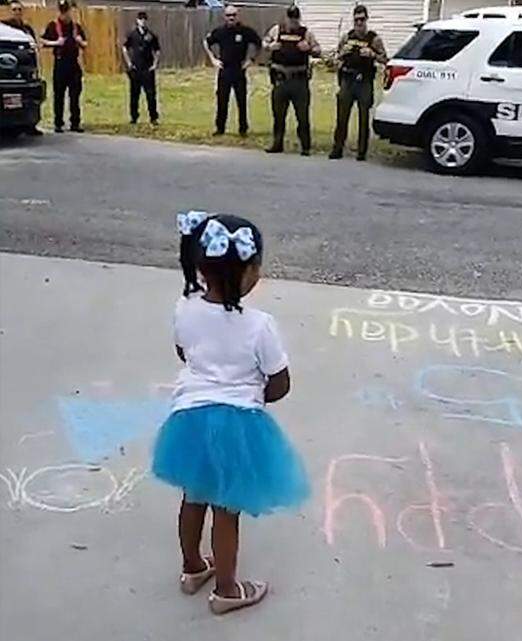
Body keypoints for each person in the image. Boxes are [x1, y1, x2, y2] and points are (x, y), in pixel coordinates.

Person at [152, 211, 310, 615]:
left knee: (193, 495)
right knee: (227, 508)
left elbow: (184, 353)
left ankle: (191, 568)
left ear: (199, 265)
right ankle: (226, 590)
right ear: (249, 273)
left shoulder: (184, 307)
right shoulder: (260, 325)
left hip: (190, 419)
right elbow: (280, 383)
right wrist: (254, 393)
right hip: (237, 423)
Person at [330, 4, 387, 161]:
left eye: (362, 20)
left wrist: (372, 54)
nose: (359, 23)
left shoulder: (374, 39)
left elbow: (385, 59)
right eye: (356, 20)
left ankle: (362, 152)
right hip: (348, 80)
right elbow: (336, 57)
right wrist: (343, 53)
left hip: (364, 81)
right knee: (342, 117)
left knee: (363, 118)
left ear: (366, 19)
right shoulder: (347, 37)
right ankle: (337, 148)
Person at [263, 5, 320, 155]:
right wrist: (270, 46)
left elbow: (318, 51)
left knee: (302, 116)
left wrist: (308, 48)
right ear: (286, 17)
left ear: (298, 18)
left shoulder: (306, 33)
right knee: (278, 115)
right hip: (280, 79)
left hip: (299, 80)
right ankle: (277, 143)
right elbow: (264, 42)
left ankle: (305, 146)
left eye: (295, 18)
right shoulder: (277, 30)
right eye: (290, 18)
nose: (293, 21)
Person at [204, 5, 261, 137]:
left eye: (234, 15)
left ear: (237, 16)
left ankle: (243, 129)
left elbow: (259, 43)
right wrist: (213, 59)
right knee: (222, 100)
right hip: (225, 69)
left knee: (241, 101)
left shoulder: (245, 31)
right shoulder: (220, 31)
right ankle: (220, 128)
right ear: (224, 17)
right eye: (229, 15)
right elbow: (206, 42)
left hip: (239, 70)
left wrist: (251, 60)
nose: (231, 18)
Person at [41, 0, 87, 133]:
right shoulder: (53, 26)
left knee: (75, 95)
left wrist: (80, 42)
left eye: (66, 11)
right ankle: (58, 123)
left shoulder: (76, 27)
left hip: (73, 64)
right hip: (60, 63)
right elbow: (43, 41)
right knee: (59, 95)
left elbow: (85, 44)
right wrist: (56, 42)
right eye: (62, 11)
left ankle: (75, 122)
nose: (64, 14)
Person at [3, 1, 42, 136]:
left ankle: (29, 125)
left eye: (19, 9)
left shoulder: (26, 30)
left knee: (27, 99)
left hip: (22, 73)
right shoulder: (6, 29)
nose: (17, 12)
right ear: (9, 11)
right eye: (14, 9)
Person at [121, 11, 161, 125]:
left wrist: (155, 64)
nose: (142, 21)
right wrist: (128, 63)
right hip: (136, 68)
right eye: (140, 19)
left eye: (144, 19)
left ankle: (153, 117)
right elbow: (124, 48)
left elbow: (157, 50)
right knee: (134, 94)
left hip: (147, 69)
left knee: (151, 94)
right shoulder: (132, 34)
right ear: (137, 21)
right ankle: (134, 117)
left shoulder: (151, 35)